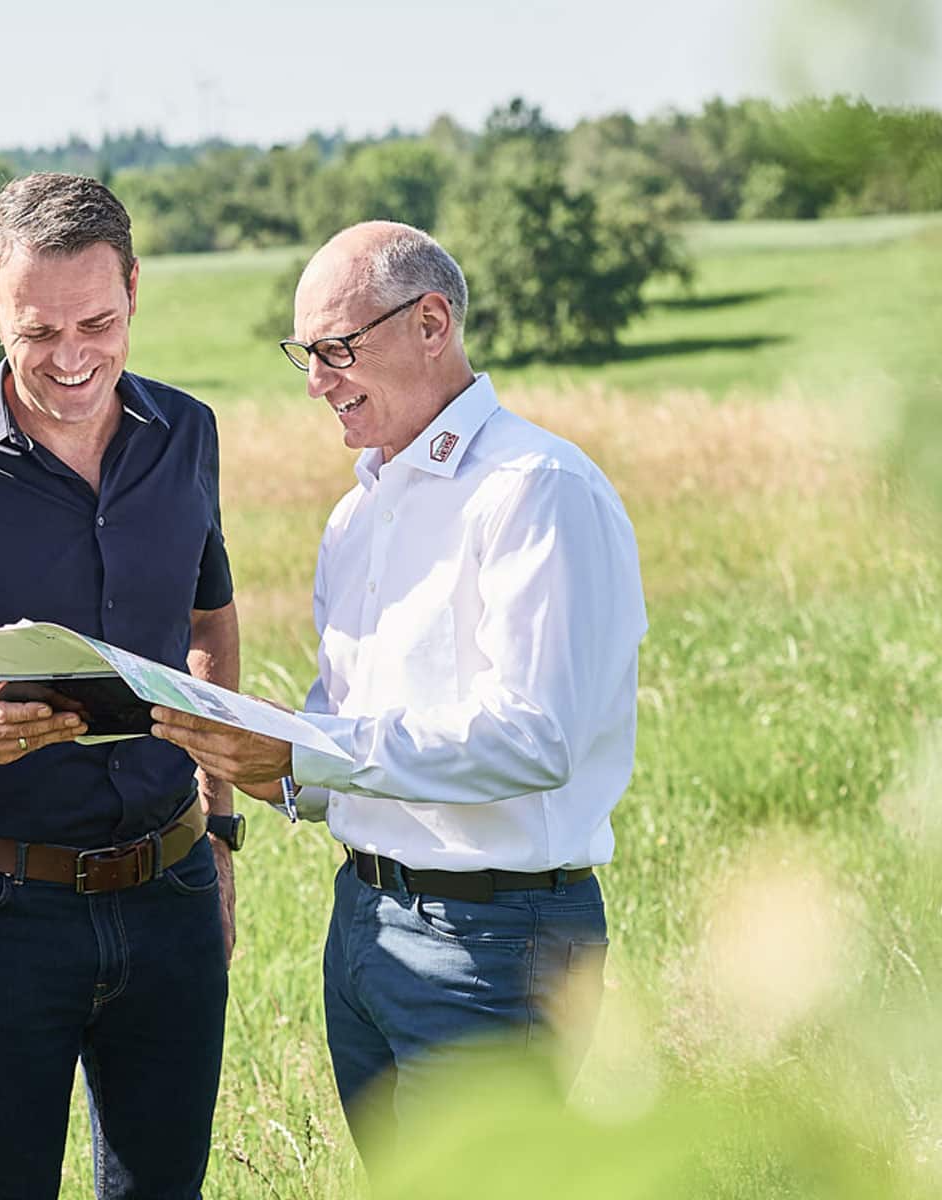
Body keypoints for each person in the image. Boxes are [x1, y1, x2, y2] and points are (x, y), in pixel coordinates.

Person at [150, 221, 647, 1154]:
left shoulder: (536, 489)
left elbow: (535, 737)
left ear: (431, 323)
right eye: (305, 353)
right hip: (366, 922)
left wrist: (308, 751)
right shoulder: (356, 514)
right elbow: (344, 734)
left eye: (337, 349)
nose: (316, 382)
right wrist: (265, 762)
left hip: (495, 937)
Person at [0, 173, 241, 1199]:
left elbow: (208, 619)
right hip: (1, 906)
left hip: (173, 888)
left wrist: (221, 826)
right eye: (38, 331)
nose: (71, 357)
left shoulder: (187, 434)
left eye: (97, 323)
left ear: (134, 290)